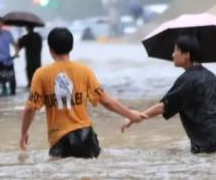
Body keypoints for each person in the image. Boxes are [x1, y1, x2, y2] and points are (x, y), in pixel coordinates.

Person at [19, 27, 146, 158]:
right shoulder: (84, 71)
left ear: (50, 49)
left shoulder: (41, 74)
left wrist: (24, 133)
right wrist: (130, 114)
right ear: (71, 47)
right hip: (86, 137)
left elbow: (30, 108)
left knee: (60, 177)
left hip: (60, 140)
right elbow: (106, 100)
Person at [122, 35, 216, 154]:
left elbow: (163, 106)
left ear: (186, 55)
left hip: (205, 136)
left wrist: (136, 117)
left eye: (176, 50)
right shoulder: (211, 76)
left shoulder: (186, 79)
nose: (172, 55)